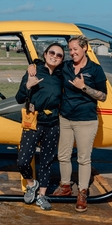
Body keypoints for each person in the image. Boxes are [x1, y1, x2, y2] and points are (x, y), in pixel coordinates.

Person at [52, 35, 107, 212]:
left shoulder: (96, 69)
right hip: (66, 118)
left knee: (84, 158)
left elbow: (103, 96)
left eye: (75, 49)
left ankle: (82, 191)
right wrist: (33, 67)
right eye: (70, 49)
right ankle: (65, 186)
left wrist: (83, 87)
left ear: (85, 48)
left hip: (86, 120)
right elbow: (49, 67)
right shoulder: (66, 66)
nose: (72, 52)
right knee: (63, 155)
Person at [16, 43, 65, 211]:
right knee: (23, 160)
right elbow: (18, 97)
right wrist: (28, 85)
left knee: (46, 161)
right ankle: (31, 184)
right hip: (33, 121)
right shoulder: (34, 71)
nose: (55, 56)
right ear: (45, 54)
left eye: (59, 55)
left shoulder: (61, 75)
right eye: (52, 52)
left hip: (52, 124)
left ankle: (42, 195)